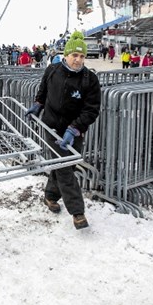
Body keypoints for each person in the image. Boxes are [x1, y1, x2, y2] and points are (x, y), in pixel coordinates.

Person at [25, 31, 101, 230]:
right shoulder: (52, 70)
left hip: (74, 130)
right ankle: (78, 212)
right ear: (66, 55)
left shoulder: (89, 79)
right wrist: (38, 105)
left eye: (82, 56)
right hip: (52, 126)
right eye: (74, 55)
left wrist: (74, 129)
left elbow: (91, 110)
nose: (78, 60)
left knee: (66, 166)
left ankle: (50, 196)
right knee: (65, 167)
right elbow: (43, 91)